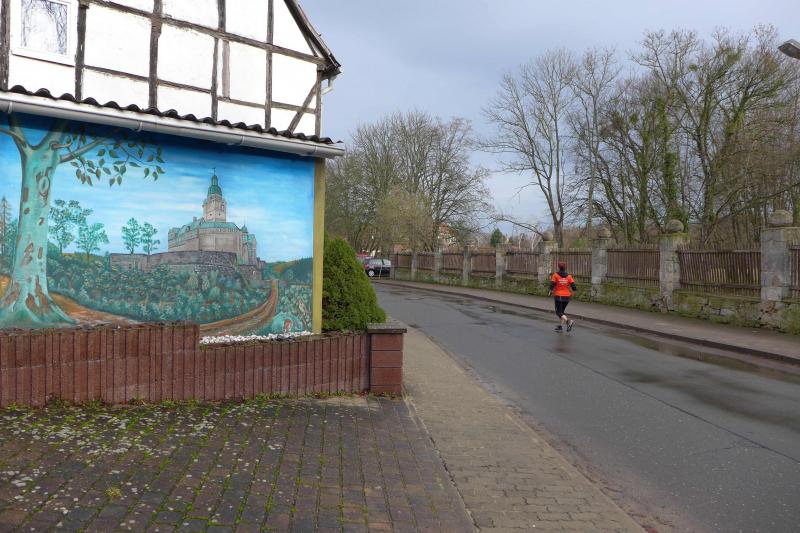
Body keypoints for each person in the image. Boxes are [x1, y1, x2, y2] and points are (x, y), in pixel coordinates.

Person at [550, 262, 576, 332]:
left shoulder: (555, 275)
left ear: (558, 267)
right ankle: (560, 327)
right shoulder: (569, 276)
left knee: (558, 312)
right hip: (567, 297)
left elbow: (552, 284)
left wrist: (550, 291)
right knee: (562, 312)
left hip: (559, 296)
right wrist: (573, 292)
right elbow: (574, 287)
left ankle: (568, 321)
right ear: (565, 267)